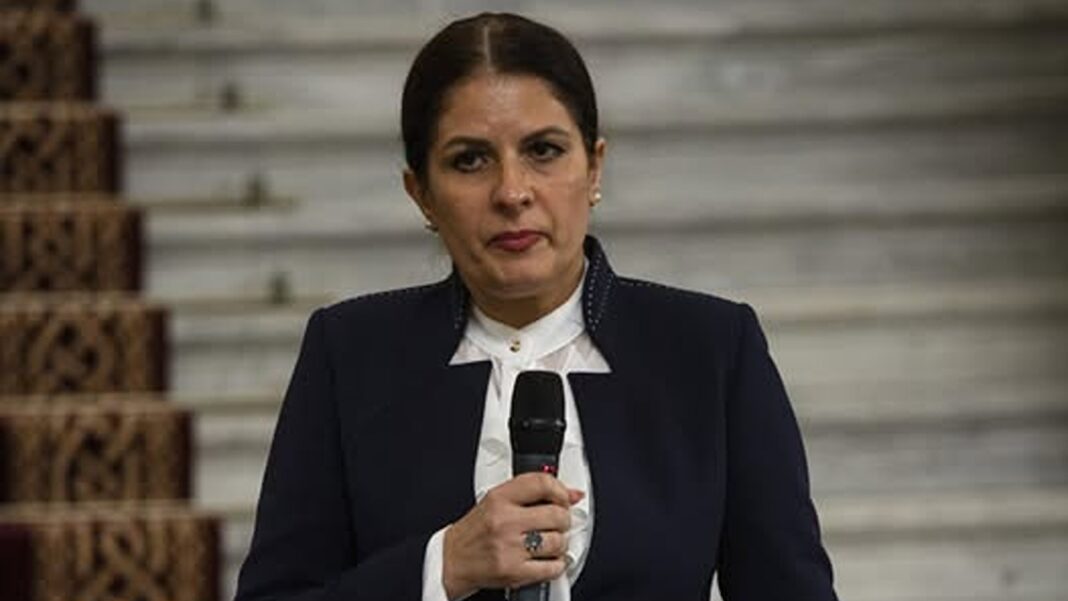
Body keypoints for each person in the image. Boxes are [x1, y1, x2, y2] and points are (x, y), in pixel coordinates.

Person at [235, 12, 838, 601]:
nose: (512, 192)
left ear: (594, 167)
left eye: (543, 151)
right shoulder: (351, 354)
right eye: (470, 160)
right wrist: (441, 567)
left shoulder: (709, 350)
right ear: (421, 194)